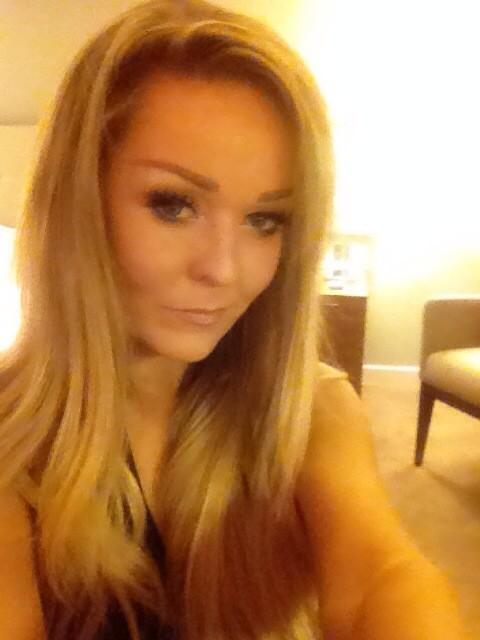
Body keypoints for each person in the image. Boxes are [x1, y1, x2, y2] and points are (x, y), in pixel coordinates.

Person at [0, 1, 472, 639]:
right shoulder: (13, 438)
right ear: (79, 199)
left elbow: (378, 577)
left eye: (264, 219)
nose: (224, 270)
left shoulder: (306, 408)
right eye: (173, 204)